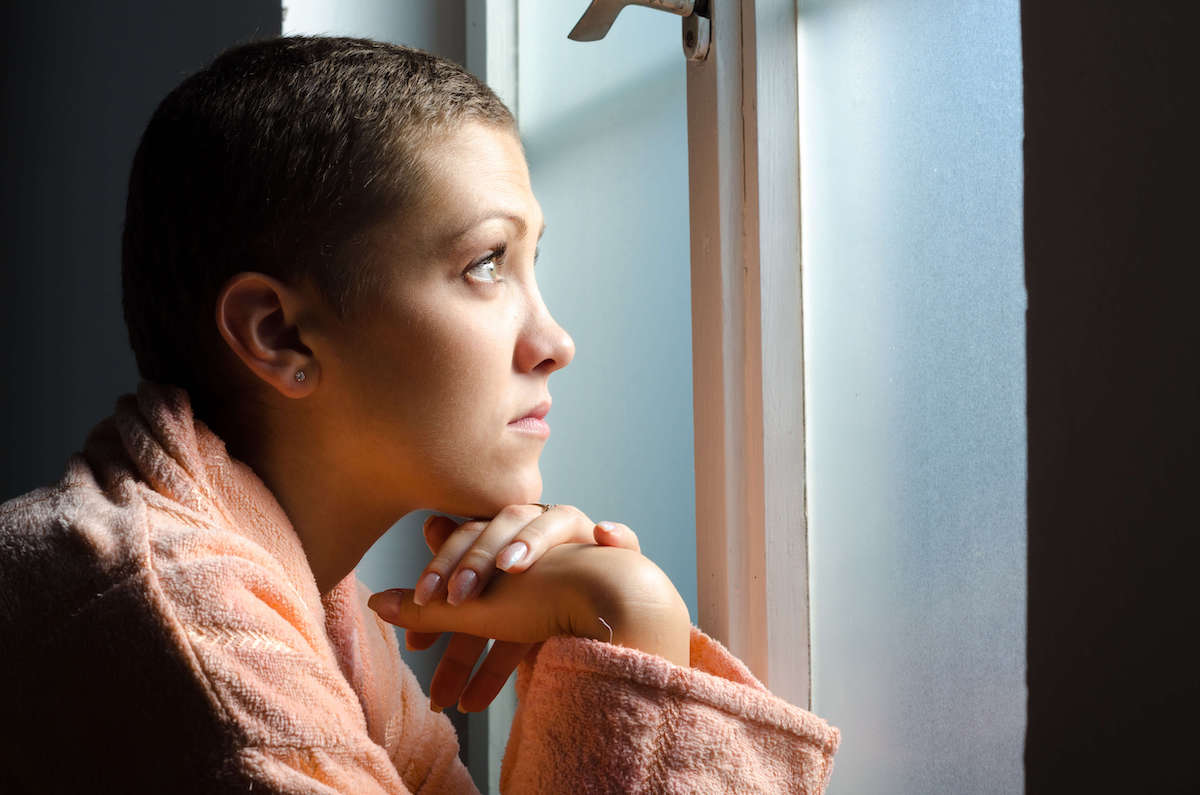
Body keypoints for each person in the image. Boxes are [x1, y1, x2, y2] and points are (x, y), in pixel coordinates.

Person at [0, 36, 839, 793]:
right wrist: (637, 612)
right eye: (484, 264)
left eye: (530, 262)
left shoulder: (310, 608)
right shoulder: (191, 637)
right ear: (280, 333)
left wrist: (611, 617)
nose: (555, 341)